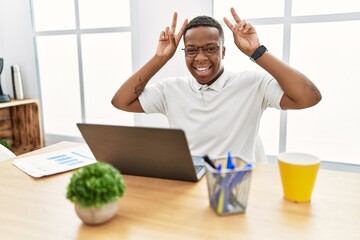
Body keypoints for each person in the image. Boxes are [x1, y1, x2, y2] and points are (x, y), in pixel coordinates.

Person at [111, 8, 321, 162]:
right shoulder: (171, 89)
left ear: (223, 51)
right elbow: (121, 101)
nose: (200, 58)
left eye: (210, 49)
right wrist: (160, 58)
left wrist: (256, 52)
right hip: (189, 186)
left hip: (236, 185)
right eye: (191, 50)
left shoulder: (252, 84)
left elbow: (309, 96)